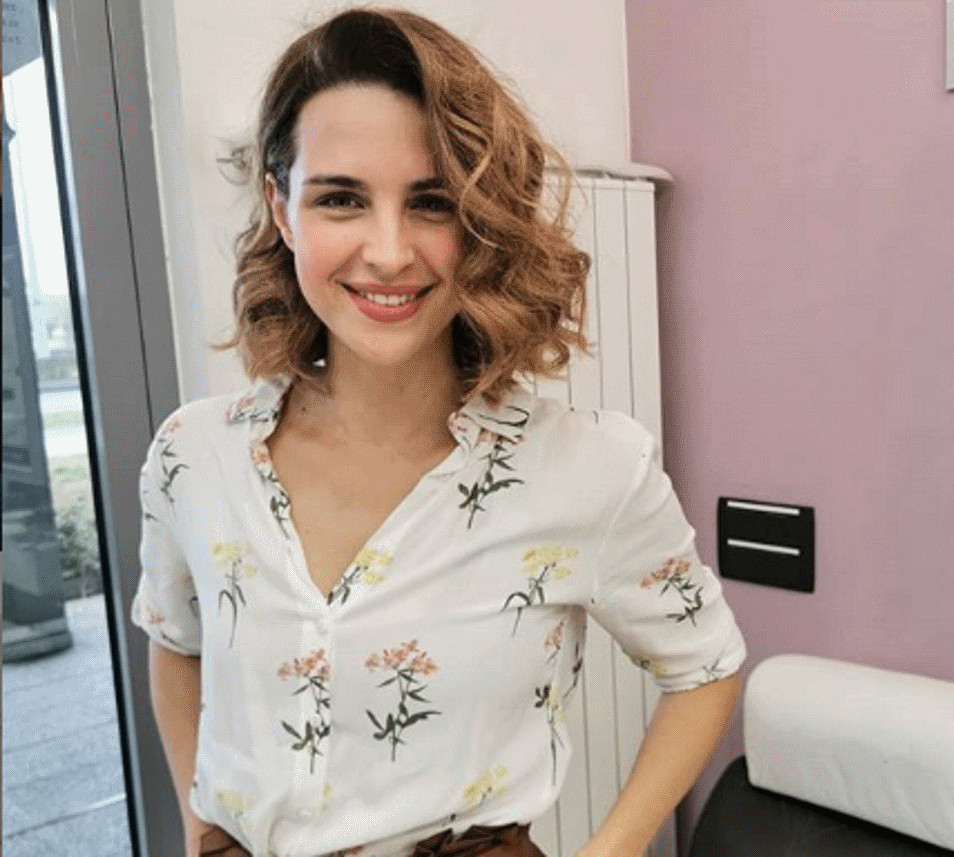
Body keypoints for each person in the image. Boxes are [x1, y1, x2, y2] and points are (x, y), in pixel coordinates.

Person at [132, 7, 746, 857]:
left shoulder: (589, 469)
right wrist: (198, 825)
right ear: (281, 208)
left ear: (481, 221)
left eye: (432, 202)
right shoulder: (192, 457)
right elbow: (175, 643)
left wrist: (610, 849)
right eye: (341, 198)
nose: (389, 252)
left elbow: (705, 664)